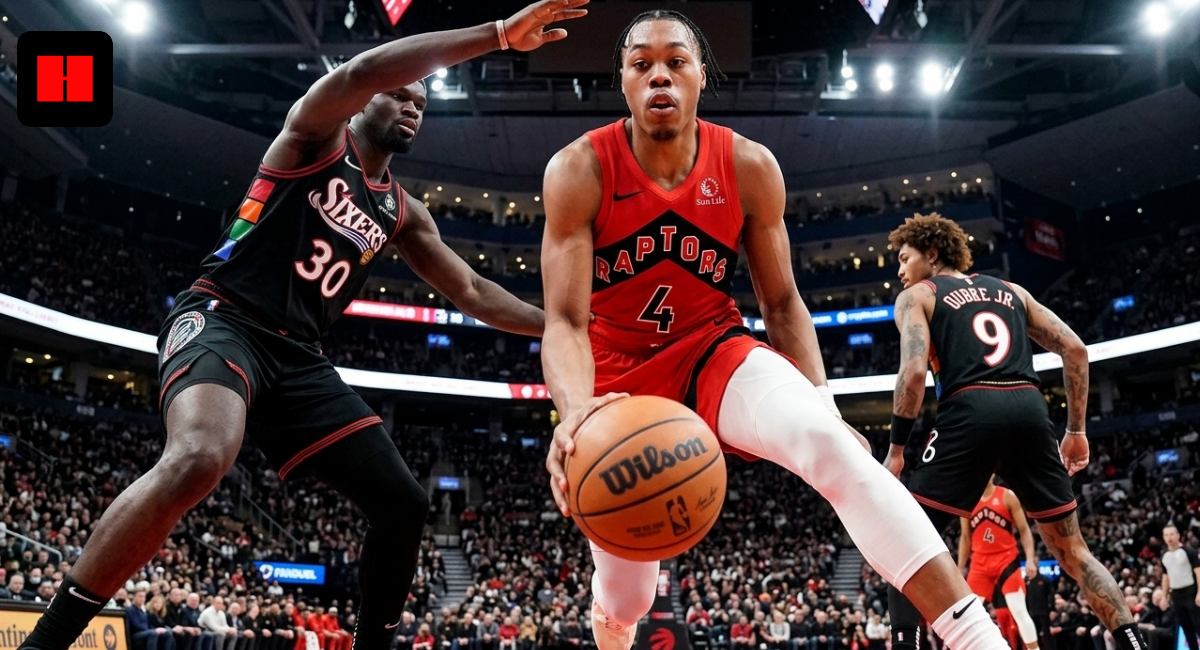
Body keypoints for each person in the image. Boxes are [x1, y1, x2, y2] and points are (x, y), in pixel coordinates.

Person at [15, 3, 587, 650]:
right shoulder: (315, 137)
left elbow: (473, 289)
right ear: (366, 97)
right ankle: (47, 642)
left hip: (298, 359)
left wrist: (567, 326)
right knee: (201, 456)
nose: (411, 109)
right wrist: (498, 34)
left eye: (421, 106)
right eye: (400, 96)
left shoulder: (403, 211)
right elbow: (367, 67)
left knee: (404, 502)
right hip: (222, 318)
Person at [539, 10, 1012, 650]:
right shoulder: (579, 169)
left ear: (701, 76)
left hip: (712, 349)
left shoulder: (747, 165)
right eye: (641, 63)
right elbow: (565, 320)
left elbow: (783, 302)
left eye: (675, 61)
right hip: (618, 378)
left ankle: (975, 638)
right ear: (621, 80)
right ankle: (610, 621)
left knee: (833, 443)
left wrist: (823, 402)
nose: (659, 76)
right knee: (632, 595)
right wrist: (574, 414)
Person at [882, 213, 1149, 650]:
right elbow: (1076, 349)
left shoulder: (918, 295)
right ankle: (1133, 643)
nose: (899, 270)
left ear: (931, 255)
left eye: (904, 258)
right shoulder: (1012, 292)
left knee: (907, 540)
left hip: (969, 408)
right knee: (1074, 552)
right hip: (1028, 408)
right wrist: (1076, 429)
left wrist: (896, 449)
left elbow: (913, 374)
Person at [958, 477, 1041, 650]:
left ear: (993, 474)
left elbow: (1025, 530)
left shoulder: (1007, 496)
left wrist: (1030, 559)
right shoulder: (967, 500)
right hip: (979, 562)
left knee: (1018, 610)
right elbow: (965, 538)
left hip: (1007, 559)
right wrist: (958, 569)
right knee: (968, 615)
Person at [1162, 524, 1200, 650]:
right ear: (1163, 537)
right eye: (1166, 535)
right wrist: (1164, 596)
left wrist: (1199, 592)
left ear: (1178, 535)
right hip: (1176, 595)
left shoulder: (1188, 551)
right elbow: (1165, 577)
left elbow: (1198, 572)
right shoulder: (1164, 555)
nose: (1169, 537)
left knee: (1198, 625)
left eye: (1172, 534)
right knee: (1186, 627)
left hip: (1191, 592)